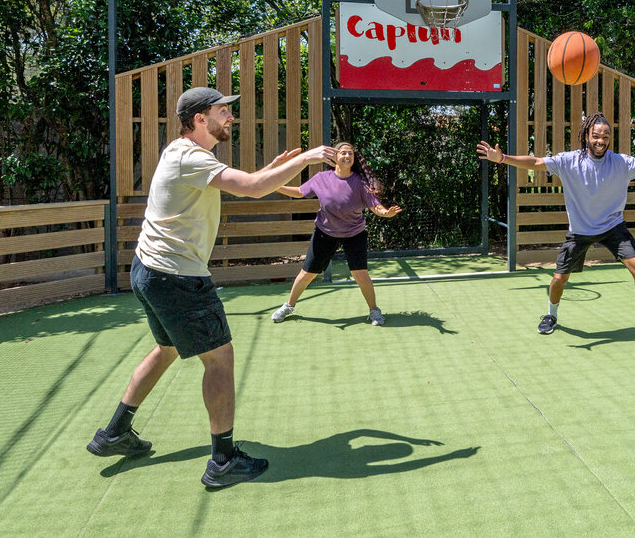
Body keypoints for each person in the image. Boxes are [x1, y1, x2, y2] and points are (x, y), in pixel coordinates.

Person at [87, 87, 335, 487]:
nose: (230, 117)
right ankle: (223, 460)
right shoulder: (191, 157)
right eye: (223, 111)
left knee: (167, 349)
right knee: (220, 359)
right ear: (200, 119)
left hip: (149, 270)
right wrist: (307, 159)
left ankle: (115, 432)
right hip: (177, 278)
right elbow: (252, 187)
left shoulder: (181, 152)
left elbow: (252, 182)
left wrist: (271, 171)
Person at [477, 111, 635, 347]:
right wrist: (502, 158)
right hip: (580, 230)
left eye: (605, 137)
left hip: (612, 227)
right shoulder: (568, 161)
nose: (601, 141)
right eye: (596, 136)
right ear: (587, 136)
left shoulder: (621, 163)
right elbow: (537, 161)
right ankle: (551, 315)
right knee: (560, 279)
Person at [270, 141, 402, 325]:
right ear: (335, 157)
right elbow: (300, 192)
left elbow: (374, 205)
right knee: (307, 273)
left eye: (351, 154)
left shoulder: (360, 182)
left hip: (354, 234)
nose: (347, 156)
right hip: (325, 232)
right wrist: (275, 186)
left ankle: (374, 310)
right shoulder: (321, 178)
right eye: (343, 153)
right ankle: (289, 306)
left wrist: (386, 213)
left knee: (360, 274)